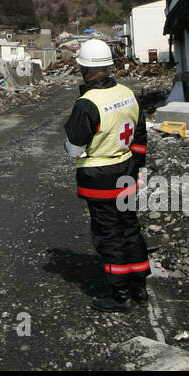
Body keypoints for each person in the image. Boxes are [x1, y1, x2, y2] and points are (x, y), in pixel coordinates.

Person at [63, 38, 150, 312]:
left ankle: (119, 292)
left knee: (108, 234)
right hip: (126, 172)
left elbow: (75, 147)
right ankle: (140, 286)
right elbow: (139, 135)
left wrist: (73, 148)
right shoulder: (128, 93)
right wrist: (138, 167)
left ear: (85, 70)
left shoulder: (87, 103)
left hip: (100, 179)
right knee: (130, 229)